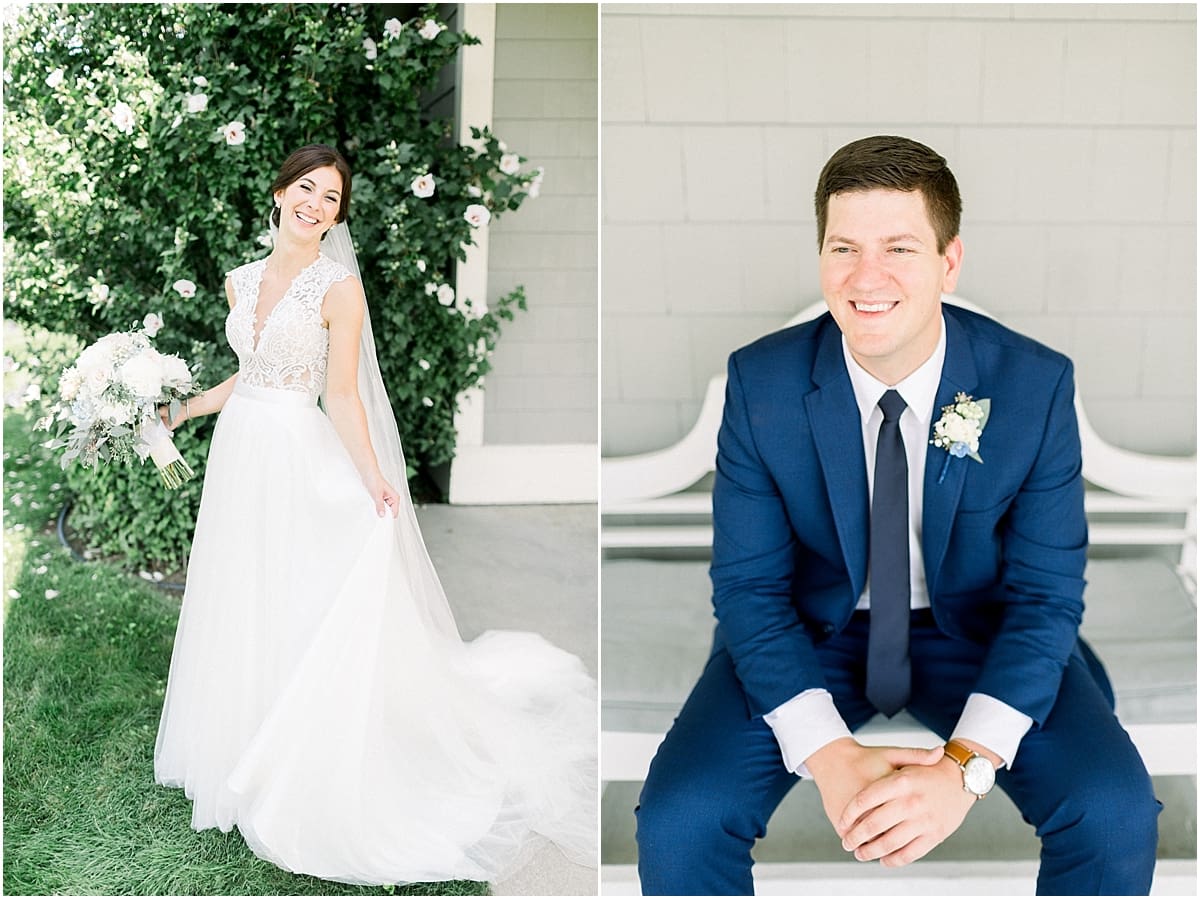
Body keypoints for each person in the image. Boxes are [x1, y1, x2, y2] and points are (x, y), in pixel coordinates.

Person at [634, 135, 1160, 895]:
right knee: (682, 819)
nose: (865, 277)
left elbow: (1046, 596)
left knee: (1113, 813)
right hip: (813, 633)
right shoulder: (763, 384)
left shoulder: (1035, 386)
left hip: (982, 633)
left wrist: (964, 767)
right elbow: (749, 590)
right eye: (842, 246)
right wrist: (829, 752)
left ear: (949, 262)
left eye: (899, 248)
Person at [154, 144, 596, 887]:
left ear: (338, 216)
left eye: (331, 198)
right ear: (278, 192)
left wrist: (373, 477)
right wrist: (184, 408)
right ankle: (235, 735)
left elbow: (343, 392)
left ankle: (296, 746)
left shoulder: (339, 288)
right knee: (243, 590)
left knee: (303, 594)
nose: (317, 205)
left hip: (297, 450)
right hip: (241, 453)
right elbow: (251, 370)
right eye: (306, 188)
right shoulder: (240, 281)